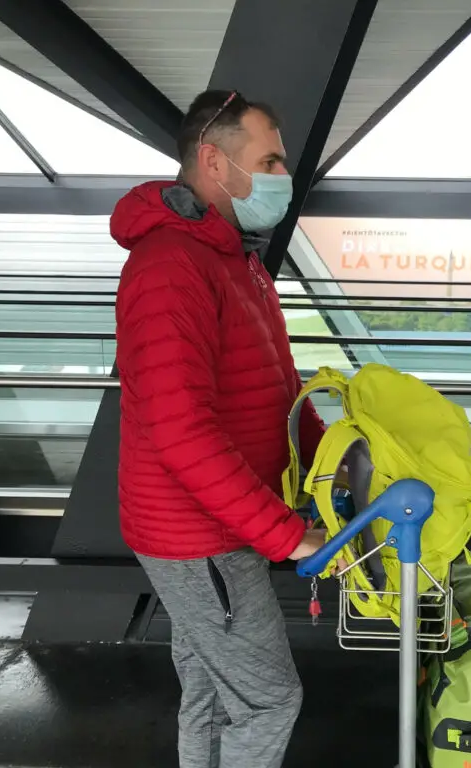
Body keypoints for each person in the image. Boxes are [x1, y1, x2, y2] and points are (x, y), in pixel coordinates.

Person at [111, 89, 327, 768]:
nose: (281, 177)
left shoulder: (233, 259)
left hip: (216, 527)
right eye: (269, 160)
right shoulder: (171, 268)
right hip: (199, 537)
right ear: (214, 161)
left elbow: (276, 386)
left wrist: (335, 452)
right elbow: (182, 432)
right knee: (268, 700)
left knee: (210, 685)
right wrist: (287, 534)